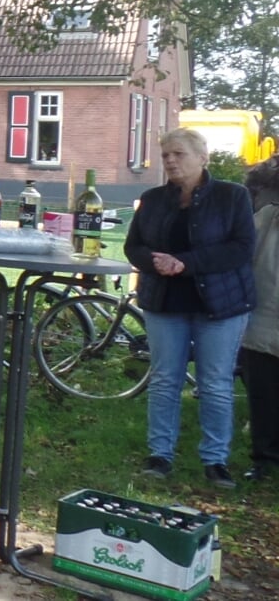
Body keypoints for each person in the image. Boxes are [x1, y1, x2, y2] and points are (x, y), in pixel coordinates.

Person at [124, 127, 255, 489]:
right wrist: (155, 262)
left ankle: (216, 461)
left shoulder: (233, 197)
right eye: (166, 155)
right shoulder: (152, 199)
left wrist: (186, 263)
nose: (170, 161)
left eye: (178, 154)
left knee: (215, 383)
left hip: (221, 305)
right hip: (165, 304)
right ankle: (159, 456)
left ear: (203, 157)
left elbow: (242, 248)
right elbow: (133, 246)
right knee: (165, 380)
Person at [236, 156, 279, 482]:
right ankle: (264, 460)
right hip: (264, 320)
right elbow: (243, 259)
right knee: (263, 395)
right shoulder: (265, 219)